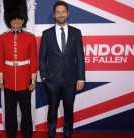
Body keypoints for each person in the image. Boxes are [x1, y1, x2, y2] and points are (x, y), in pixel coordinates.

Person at [39, 1, 85, 138]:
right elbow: (42, 57)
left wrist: (81, 78)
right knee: (52, 109)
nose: (61, 14)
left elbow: (80, 58)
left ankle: (68, 133)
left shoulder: (76, 33)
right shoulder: (46, 34)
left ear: (68, 13)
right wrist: (43, 77)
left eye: (63, 11)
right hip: (52, 80)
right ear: (54, 15)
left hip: (71, 79)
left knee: (69, 109)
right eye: (58, 12)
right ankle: (51, 133)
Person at [0, 0, 38, 138]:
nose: (16, 21)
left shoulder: (30, 38)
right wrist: (1, 78)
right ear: (9, 19)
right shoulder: (3, 38)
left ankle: (27, 133)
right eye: (13, 18)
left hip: (25, 80)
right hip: (8, 80)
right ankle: (11, 132)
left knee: (26, 110)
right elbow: (0, 59)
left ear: (23, 19)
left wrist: (33, 79)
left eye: (18, 18)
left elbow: (34, 60)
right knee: (10, 110)